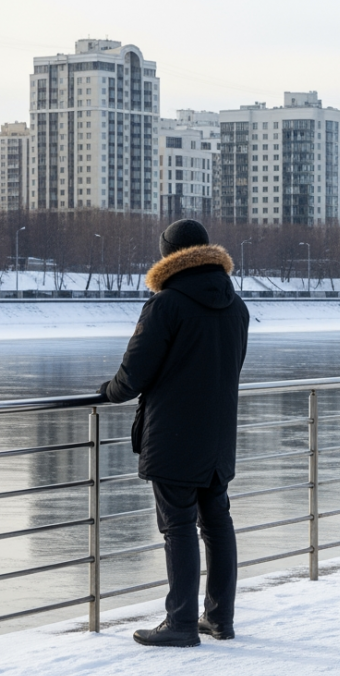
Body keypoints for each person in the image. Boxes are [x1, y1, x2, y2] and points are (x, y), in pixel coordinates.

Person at [99, 220, 249, 647]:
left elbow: (133, 375)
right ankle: (219, 619)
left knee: (178, 527)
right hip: (219, 435)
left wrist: (108, 391)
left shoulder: (166, 305)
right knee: (217, 523)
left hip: (175, 434)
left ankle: (181, 623)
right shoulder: (236, 305)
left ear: (168, 255)